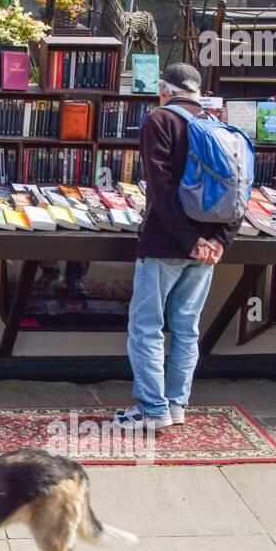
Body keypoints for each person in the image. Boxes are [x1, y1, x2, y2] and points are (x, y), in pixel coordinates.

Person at [115, 63, 237, 431]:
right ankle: (176, 405)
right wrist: (218, 239)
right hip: (207, 251)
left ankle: (152, 410)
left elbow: (161, 189)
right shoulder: (219, 125)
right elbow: (239, 190)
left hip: (165, 243)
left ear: (164, 90)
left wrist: (187, 239)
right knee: (187, 328)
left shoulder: (159, 121)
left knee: (147, 327)